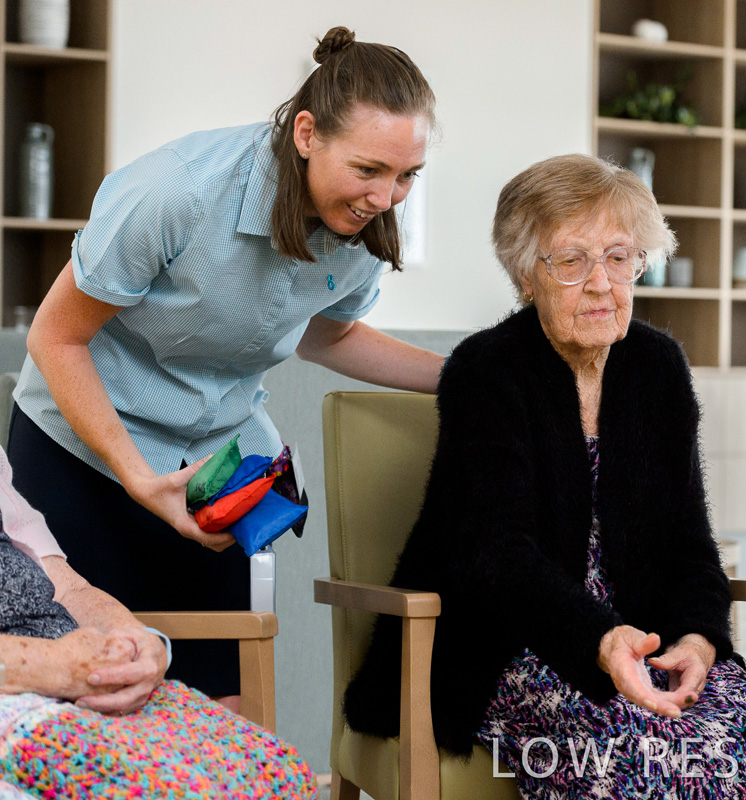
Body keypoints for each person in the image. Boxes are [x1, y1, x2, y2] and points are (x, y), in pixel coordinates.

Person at [343, 154, 746, 797]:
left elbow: (689, 540)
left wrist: (700, 640)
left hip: (642, 644)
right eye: (571, 261)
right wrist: (600, 641)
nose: (600, 283)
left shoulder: (657, 367)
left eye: (619, 258)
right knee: (639, 754)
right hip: (512, 648)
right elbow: (495, 555)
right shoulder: (487, 372)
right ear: (525, 275)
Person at [7, 26, 443, 707]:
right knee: (89, 694)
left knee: (222, 701)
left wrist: (469, 375)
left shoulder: (361, 227)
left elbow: (327, 336)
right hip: (83, 452)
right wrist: (139, 478)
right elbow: (55, 338)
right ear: (307, 133)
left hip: (214, 468)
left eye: (407, 175)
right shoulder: (177, 192)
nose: (386, 197)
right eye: (368, 170)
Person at [0, 444, 316, 799]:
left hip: (87, 685)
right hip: (23, 700)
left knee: (278, 772)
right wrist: (51, 666)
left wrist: (139, 638)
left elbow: (68, 586)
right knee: (181, 791)